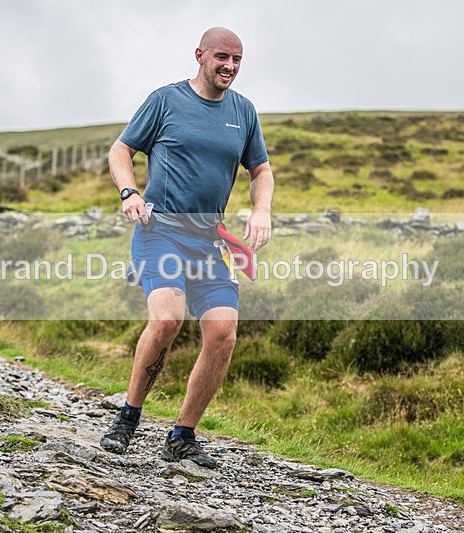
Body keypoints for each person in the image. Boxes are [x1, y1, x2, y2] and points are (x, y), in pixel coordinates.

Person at [100, 27, 274, 468]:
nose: (229, 67)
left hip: (209, 240)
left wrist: (261, 210)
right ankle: (128, 416)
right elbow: (121, 150)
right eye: (221, 57)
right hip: (160, 232)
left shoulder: (244, 111)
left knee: (223, 335)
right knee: (167, 320)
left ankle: (182, 435)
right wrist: (129, 193)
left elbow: (260, 170)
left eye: (236, 60)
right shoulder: (166, 100)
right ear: (199, 55)